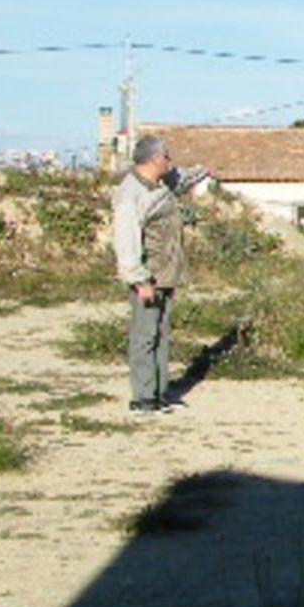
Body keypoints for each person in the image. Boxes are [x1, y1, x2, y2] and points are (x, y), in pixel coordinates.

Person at [111, 135, 213, 415]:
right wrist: (138, 279)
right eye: (167, 157)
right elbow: (126, 239)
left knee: (162, 334)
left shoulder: (160, 184)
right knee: (145, 336)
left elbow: (181, 179)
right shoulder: (131, 193)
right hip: (149, 274)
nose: (171, 161)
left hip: (167, 273)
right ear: (155, 159)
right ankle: (142, 398)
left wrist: (205, 170)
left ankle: (159, 394)